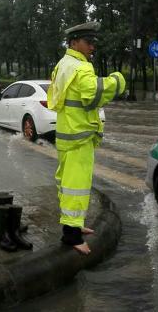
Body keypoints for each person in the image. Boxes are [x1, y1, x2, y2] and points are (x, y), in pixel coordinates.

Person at [47, 22, 126, 254]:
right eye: (88, 42)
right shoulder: (81, 67)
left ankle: (75, 225)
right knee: (76, 186)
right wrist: (117, 80)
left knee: (66, 182)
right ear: (74, 43)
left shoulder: (63, 64)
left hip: (67, 135)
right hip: (79, 137)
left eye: (93, 43)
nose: (92, 46)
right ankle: (71, 236)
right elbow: (92, 96)